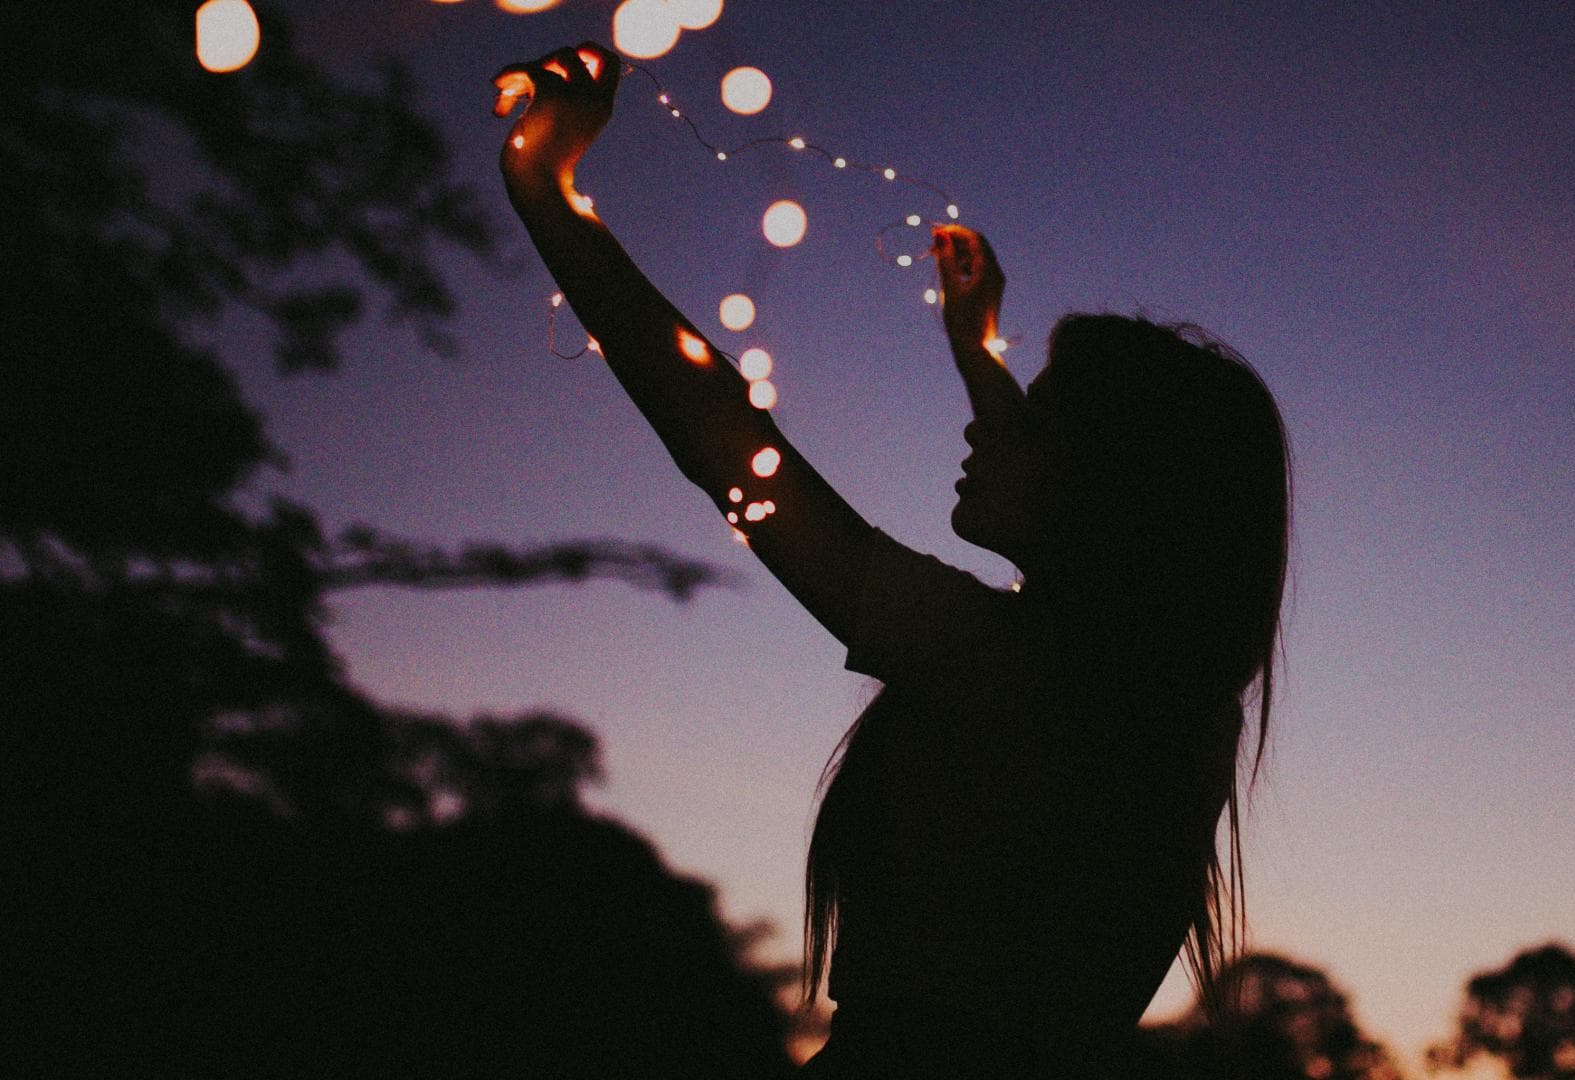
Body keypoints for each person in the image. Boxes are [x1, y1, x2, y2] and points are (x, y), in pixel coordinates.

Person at [493, 44, 1291, 1079]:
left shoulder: (992, 660)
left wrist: (544, 190)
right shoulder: (1173, 712)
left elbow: (722, 440)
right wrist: (978, 353)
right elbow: (1104, 538)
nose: (982, 431)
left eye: (1030, 423)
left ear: (1102, 493)